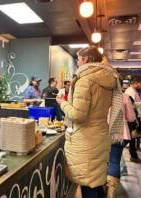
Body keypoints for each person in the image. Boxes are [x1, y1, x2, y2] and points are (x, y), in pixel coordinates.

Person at [56, 46, 121, 197]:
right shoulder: (107, 78)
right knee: (97, 182)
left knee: (88, 185)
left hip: (86, 139)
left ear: (86, 59)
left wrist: (62, 103)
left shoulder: (85, 80)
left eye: (78, 59)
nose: (77, 62)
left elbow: (78, 115)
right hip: (99, 135)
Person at [106, 93, 136, 198]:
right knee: (114, 160)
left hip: (101, 132)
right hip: (119, 133)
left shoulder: (100, 92)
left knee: (100, 161)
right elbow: (131, 118)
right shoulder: (124, 96)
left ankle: (101, 187)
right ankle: (111, 191)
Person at [124, 78, 141, 163]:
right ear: (136, 83)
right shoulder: (129, 91)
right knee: (130, 136)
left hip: (134, 115)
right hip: (132, 116)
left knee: (132, 137)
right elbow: (131, 105)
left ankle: (133, 155)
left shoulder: (134, 91)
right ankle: (133, 154)